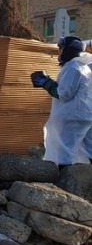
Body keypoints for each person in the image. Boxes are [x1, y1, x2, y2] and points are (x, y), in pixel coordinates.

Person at [31, 36, 92, 168]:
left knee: (64, 152)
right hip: (85, 116)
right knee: (88, 151)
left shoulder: (72, 67)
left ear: (68, 50)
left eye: (61, 49)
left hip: (72, 117)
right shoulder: (84, 67)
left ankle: (65, 183)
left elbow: (64, 94)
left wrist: (47, 83)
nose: (59, 52)